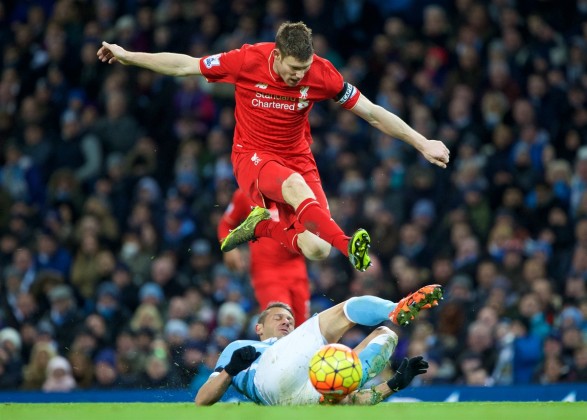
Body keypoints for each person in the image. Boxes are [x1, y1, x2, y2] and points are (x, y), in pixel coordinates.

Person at [97, 22, 450, 273]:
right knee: (301, 195)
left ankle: (262, 227)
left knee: (316, 249)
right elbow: (185, 66)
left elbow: (371, 113)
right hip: (252, 156)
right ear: (278, 55)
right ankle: (349, 245)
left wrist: (422, 143)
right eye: (294, 68)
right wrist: (128, 55)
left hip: (297, 157)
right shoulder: (247, 60)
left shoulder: (322, 74)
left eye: (305, 68)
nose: (300, 76)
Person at [194, 284, 443, 406]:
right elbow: (202, 400)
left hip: (298, 398)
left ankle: (391, 319)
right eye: (278, 317)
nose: (286, 321)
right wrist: (231, 370)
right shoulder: (239, 347)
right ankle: (394, 308)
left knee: (385, 335)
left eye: (290, 319)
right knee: (345, 310)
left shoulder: (300, 351)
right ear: (258, 328)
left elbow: (357, 403)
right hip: (268, 378)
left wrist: (394, 385)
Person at [218, 188, 310, 323]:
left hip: (297, 269)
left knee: (303, 328)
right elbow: (226, 224)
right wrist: (228, 247)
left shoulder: (294, 189)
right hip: (267, 271)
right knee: (281, 323)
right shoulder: (245, 193)